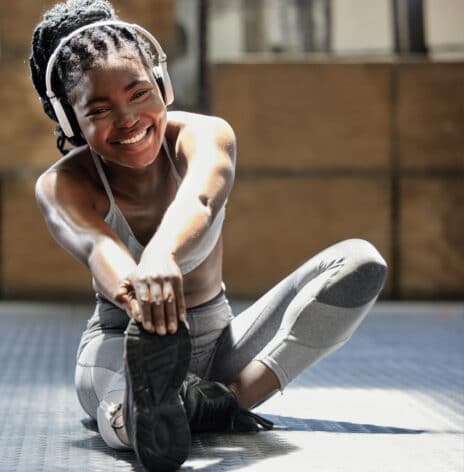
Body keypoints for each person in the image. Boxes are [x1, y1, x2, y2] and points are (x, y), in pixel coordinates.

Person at [29, 1, 388, 470]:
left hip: (220, 343)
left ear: (162, 83)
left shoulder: (205, 135)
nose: (129, 119)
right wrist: (140, 289)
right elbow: (98, 246)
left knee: (360, 264)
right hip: (123, 345)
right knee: (130, 417)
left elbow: (200, 200)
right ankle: (150, 410)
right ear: (71, 121)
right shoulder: (62, 185)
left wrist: (160, 254)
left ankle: (218, 402)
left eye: (139, 93)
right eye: (99, 110)